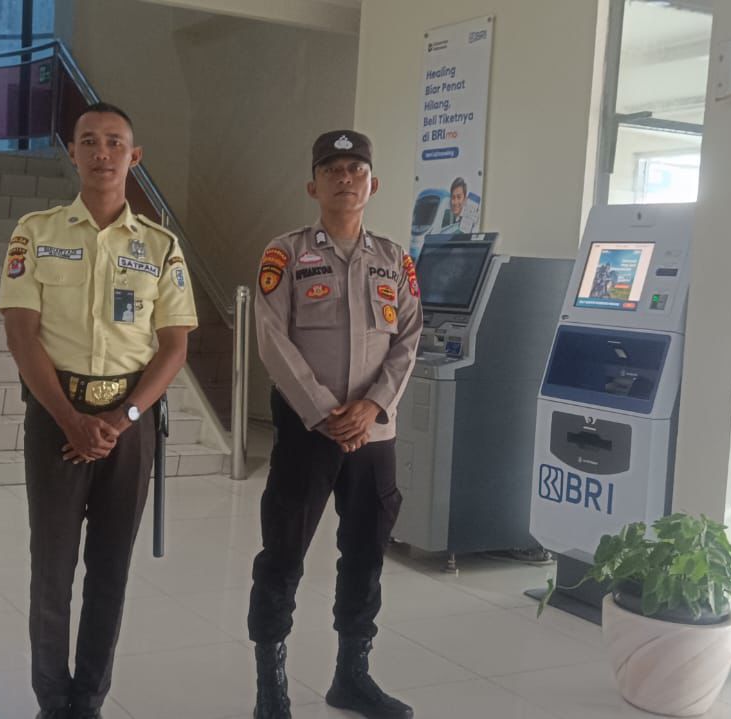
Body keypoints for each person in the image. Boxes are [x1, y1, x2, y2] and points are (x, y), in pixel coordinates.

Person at [0, 102, 198, 719]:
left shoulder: (160, 246)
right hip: (56, 418)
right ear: (73, 153)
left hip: (128, 427)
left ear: (134, 157)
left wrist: (125, 419)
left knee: (111, 570)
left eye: (115, 142)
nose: (102, 153)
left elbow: (174, 347)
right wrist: (69, 419)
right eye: (89, 141)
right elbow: (22, 334)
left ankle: (88, 699)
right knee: (52, 570)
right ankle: (51, 699)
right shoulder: (37, 233)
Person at [248, 130, 423, 719]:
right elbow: (271, 337)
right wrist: (325, 411)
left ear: (374, 184)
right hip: (308, 431)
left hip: (374, 434)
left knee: (366, 553)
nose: (345, 178)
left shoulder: (394, 259)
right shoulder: (286, 253)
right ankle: (271, 686)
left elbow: (409, 338)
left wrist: (373, 406)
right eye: (332, 169)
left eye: (356, 169)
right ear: (312, 185)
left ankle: (352, 676)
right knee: (283, 553)